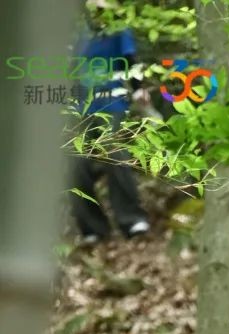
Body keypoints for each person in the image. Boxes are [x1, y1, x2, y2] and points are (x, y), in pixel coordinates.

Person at [70, 19, 149, 243]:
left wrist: (138, 90)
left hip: (112, 104)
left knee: (113, 151)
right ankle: (92, 228)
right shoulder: (78, 32)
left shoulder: (118, 27)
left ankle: (132, 219)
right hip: (82, 107)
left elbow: (130, 60)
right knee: (74, 163)